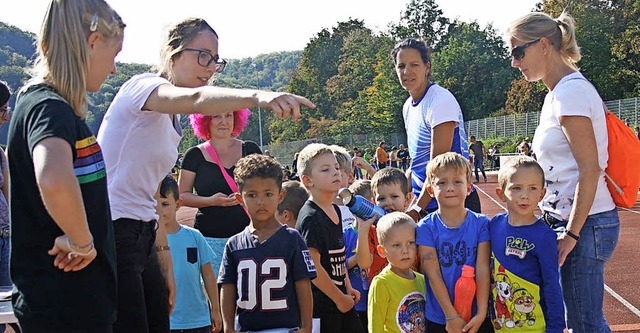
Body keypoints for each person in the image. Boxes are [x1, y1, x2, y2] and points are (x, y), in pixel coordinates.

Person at [96, 17, 314, 333]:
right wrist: (259, 96)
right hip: (113, 230)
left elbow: (150, 196)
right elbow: (197, 100)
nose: (211, 67)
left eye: (215, 61)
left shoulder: (171, 122)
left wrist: (163, 259)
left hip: (143, 233)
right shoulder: (141, 87)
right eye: (203, 56)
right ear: (172, 52)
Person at [7, 1, 123, 331]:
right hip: (64, 306)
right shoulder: (48, 106)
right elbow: (53, 177)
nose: (114, 69)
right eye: (114, 56)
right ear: (92, 42)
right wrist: (82, 241)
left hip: (72, 304)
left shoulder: (48, 106)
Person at [507, 12, 620, 333]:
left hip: (586, 225)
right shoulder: (555, 94)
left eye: (518, 52)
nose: (514, 62)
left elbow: (591, 168)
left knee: (586, 324)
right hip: (572, 223)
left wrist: (571, 234)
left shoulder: (570, 93)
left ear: (544, 45)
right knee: (576, 321)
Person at [219, 154, 316, 333]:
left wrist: (306, 326)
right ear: (240, 198)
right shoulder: (234, 244)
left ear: (280, 196)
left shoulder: (292, 239)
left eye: (268, 194)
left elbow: (303, 284)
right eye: (252, 195)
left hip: (286, 328)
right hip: (247, 328)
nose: (261, 201)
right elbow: (228, 286)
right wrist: (228, 327)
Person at [391, 38, 480, 221]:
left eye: (414, 65)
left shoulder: (440, 100)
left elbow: (437, 167)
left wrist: (416, 209)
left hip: (453, 204)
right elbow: (417, 163)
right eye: (401, 66)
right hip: (428, 203)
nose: (407, 72)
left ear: (427, 67)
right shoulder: (408, 106)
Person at [416, 152, 492, 333]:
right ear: (430, 190)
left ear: (469, 188)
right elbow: (433, 273)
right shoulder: (425, 227)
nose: (450, 187)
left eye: (457, 181)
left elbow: (482, 269)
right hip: (440, 316)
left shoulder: (481, 224)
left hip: (476, 315)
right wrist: (451, 316)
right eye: (442, 183)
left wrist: (481, 313)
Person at [178, 109, 260, 273]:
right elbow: (181, 196)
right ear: (205, 120)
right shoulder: (194, 155)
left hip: (250, 236)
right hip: (210, 238)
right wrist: (211, 201)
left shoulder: (250, 149)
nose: (224, 121)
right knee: (216, 293)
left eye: (228, 115)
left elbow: (267, 186)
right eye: (217, 115)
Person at [295, 143, 364, 333]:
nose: (335, 173)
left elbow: (339, 256)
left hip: (342, 300)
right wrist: (339, 298)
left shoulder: (335, 210)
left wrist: (347, 287)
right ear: (308, 180)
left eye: (336, 167)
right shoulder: (311, 217)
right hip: (323, 307)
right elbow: (313, 267)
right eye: (326, 170)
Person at [491, 156, 565, 332]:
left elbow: (552, 285)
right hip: (500, 325)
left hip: (535, 327)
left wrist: (555, 327)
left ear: (542, 194)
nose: (525, 195)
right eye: (516, 188)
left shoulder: (544, 236)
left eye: (532, 188)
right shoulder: (494, 225)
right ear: (501, 194)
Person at [157, 176, 222, 333]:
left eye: (165, 204)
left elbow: (207, 275)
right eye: (154, 205)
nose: (159, 211)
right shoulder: (148, 240)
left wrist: (215, 309)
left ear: (178, 204)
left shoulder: (194, 236)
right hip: (165, 321)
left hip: (197, 320)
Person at [367, 212, 426, 333]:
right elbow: (375, 327)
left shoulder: (422, 280)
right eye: (397, 245)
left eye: (411, 243)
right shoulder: (381, 283)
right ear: (382, 251)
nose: (405, 250)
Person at [0, 81, 12, 303]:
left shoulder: (0, 154)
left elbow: (8, 197)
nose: (6, 118)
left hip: (5, 239)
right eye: (3, 109)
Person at [330, 145, 356, 228]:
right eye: (325, 171)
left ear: (350, 177)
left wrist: (369, 169)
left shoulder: (358, 207)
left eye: (337, 173)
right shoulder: (318, 209)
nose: (331, 177)